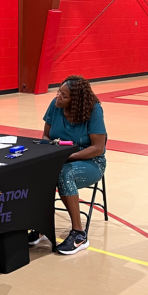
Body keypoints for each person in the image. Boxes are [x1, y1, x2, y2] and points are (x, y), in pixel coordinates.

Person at [29, 75, 106, 255]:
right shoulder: (54, 107)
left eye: (64, 95)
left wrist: (68, 157)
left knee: (64, 174)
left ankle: (79, 234)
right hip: (60, 159)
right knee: (36, 172)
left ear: (76, 101)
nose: (58, 97)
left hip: (91, 162)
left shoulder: (93, 111)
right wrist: (50, 152)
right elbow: (46, 136)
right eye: (58, 92)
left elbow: (97, 148)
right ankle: (41, 226)